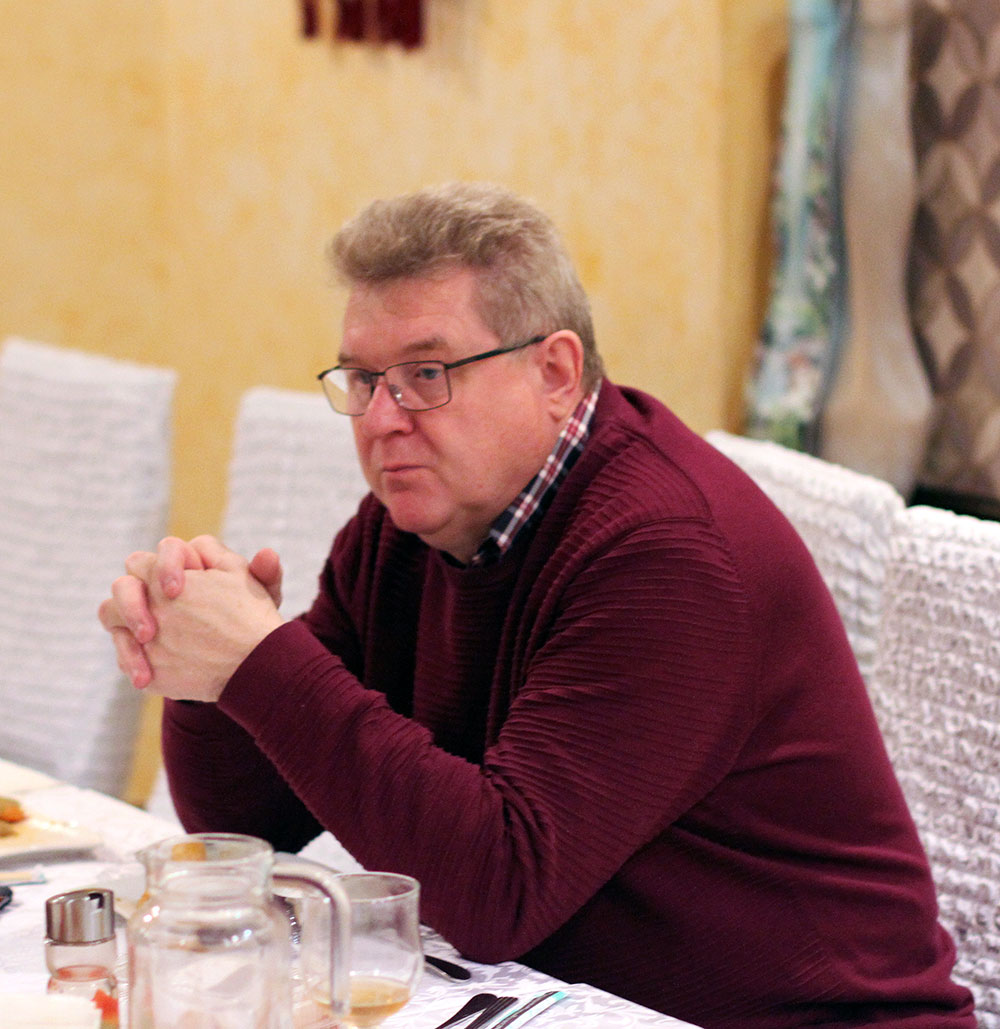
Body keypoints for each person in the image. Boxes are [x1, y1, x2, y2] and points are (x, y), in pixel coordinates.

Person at [100, 182, 974, 1028]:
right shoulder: (404, 529)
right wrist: (208, 670)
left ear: (555, 372)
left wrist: (261, 662)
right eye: (363, 379)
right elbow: (249, 827)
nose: (381, 418)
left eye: (426, 373)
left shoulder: (663, 554)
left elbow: (496, 888)